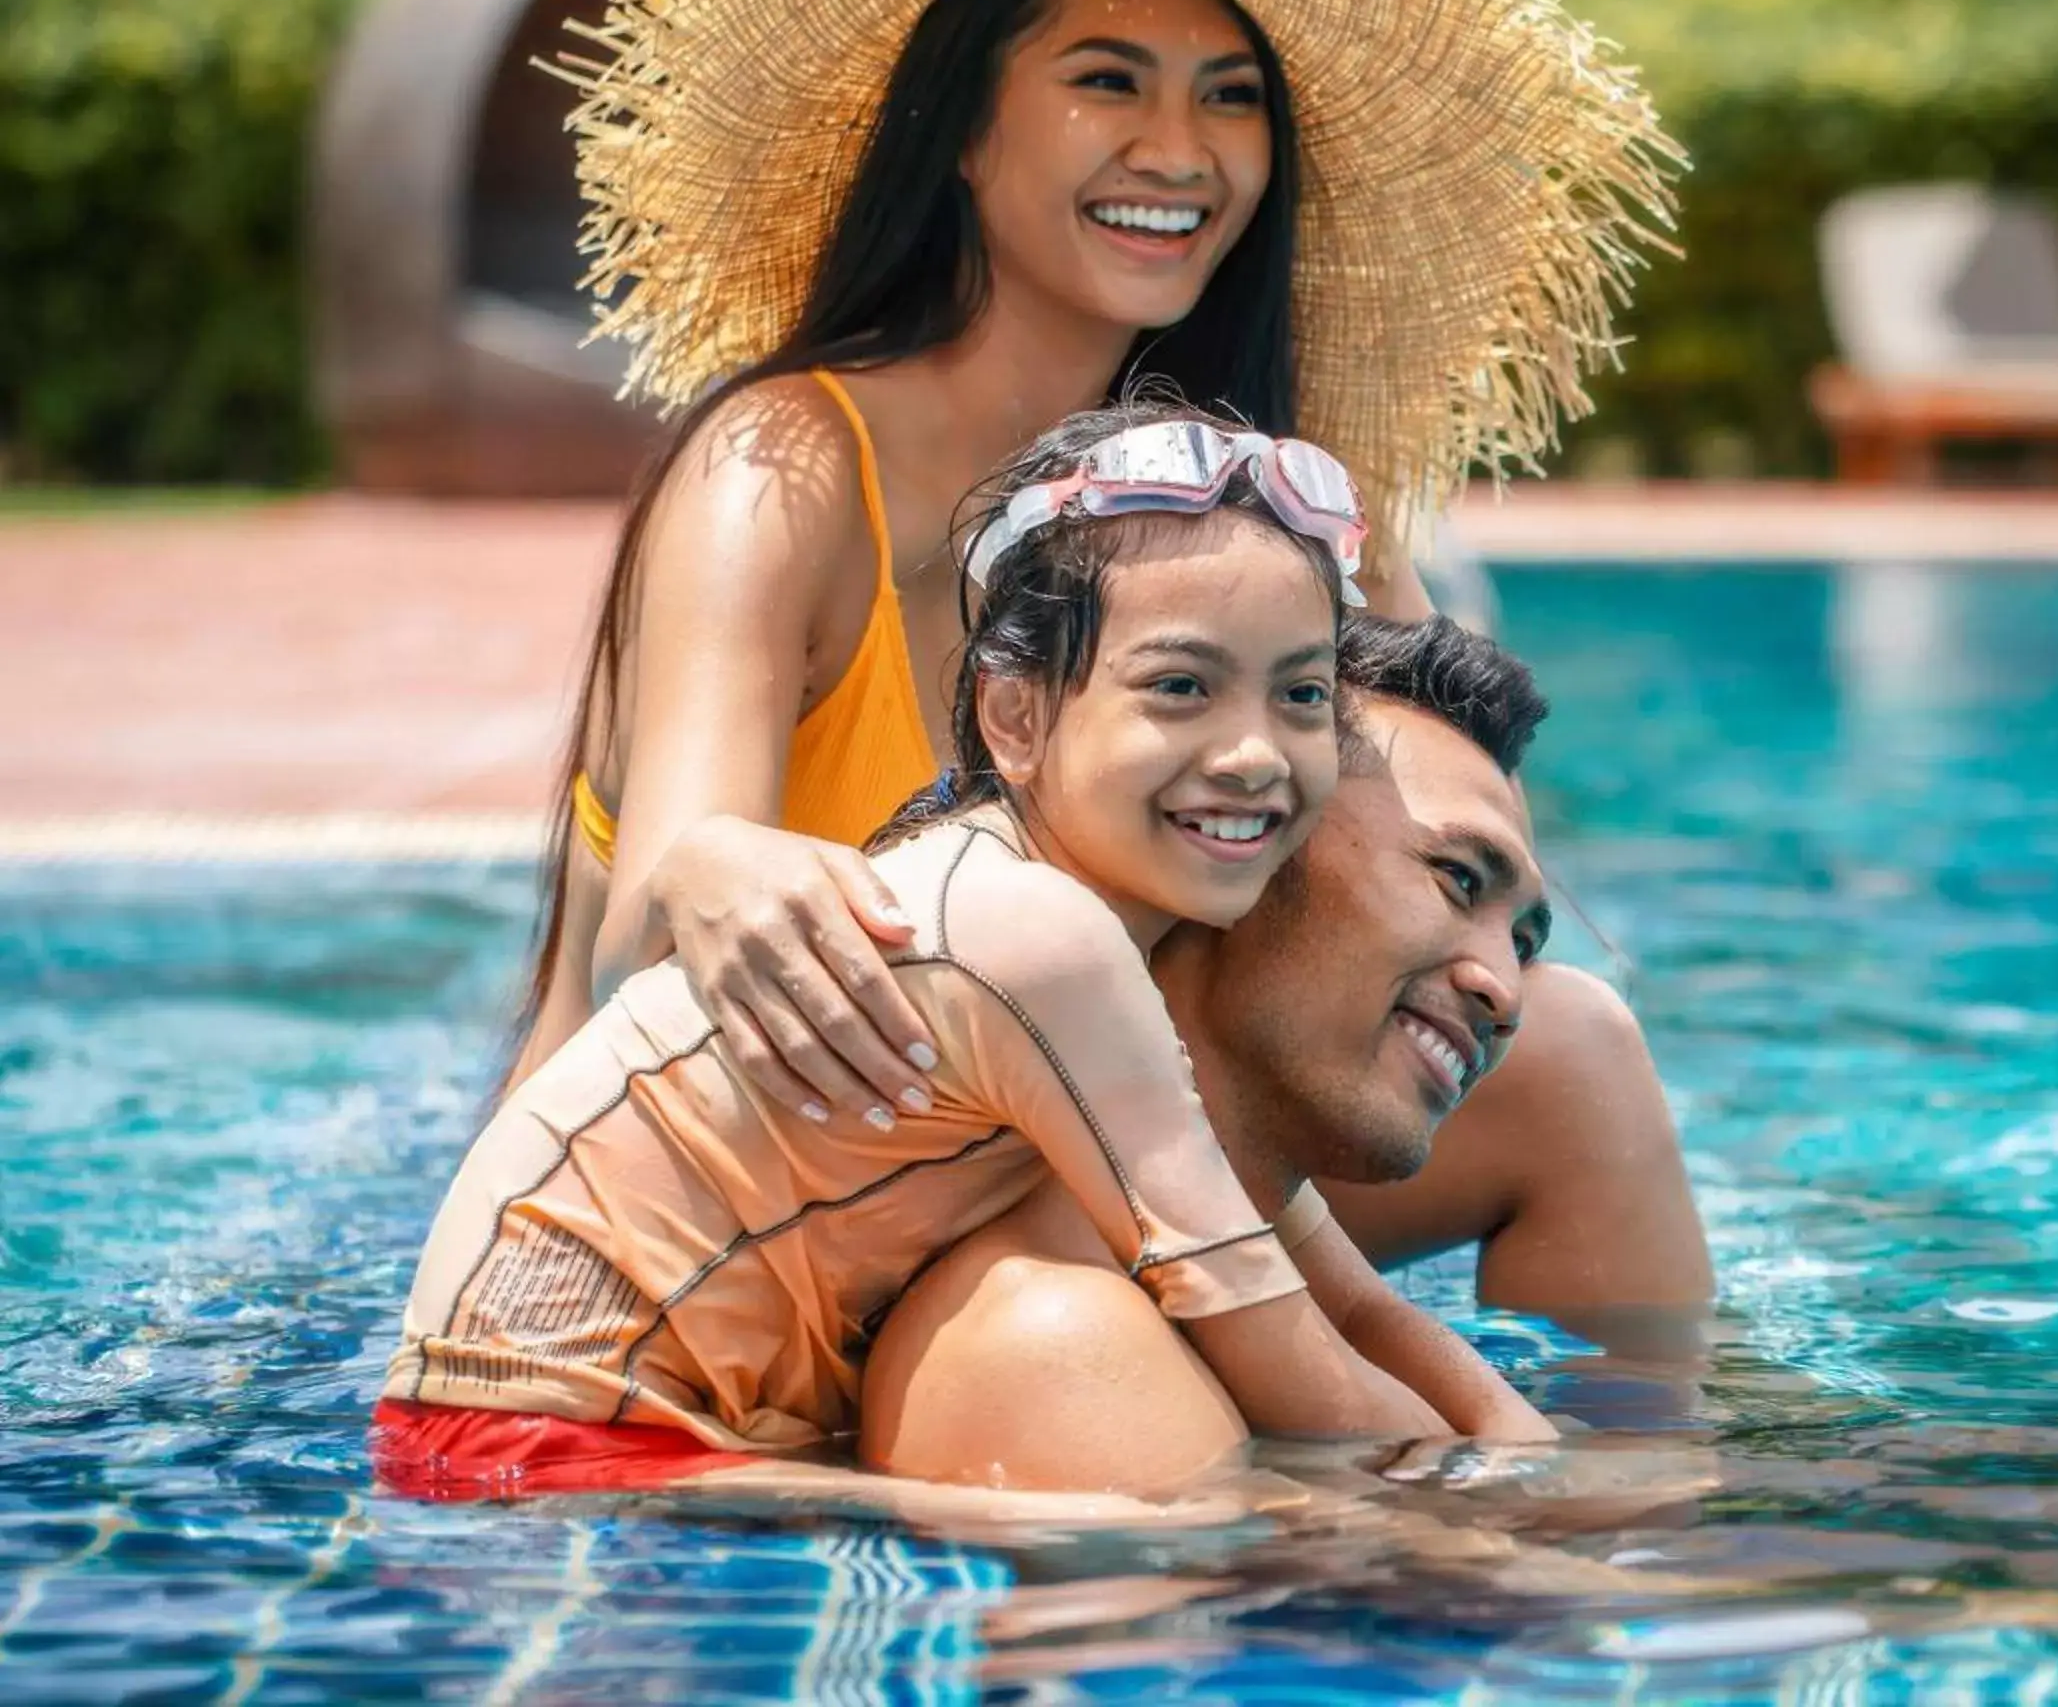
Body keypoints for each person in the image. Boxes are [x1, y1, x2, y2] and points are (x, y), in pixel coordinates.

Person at [515, 0, 1707, 1331]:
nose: (1179, 150)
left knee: (1579, 1059)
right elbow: (648, 926)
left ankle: (1637, 1514)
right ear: (956, 130)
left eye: (1230, 98)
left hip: (1085, 1154)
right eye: (1106, 81)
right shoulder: (784, 469)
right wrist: (709, 862)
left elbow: (1436, 868)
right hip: (752, 1205)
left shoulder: (1274, 501)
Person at [375, 402, 1536, 1501]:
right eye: (1181, 687)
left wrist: (1529, 1449)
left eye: (1301, 696)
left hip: (564, 1429)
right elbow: (1267, 1326)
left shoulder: (1051, 915)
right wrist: (1497, 1522)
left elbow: (1342, 1291)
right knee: (1182, 1520)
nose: (1253, 754)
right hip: (530, 1443)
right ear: (1014, 718)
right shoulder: (1039, 937)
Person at [865, 612, 1567, 1493]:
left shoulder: (1250, 1235)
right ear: (1244, 843)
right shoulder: (1058, 1342)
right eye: (1457, 878)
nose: (1508, 993)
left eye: (1527, 944)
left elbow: (1368, 1321)